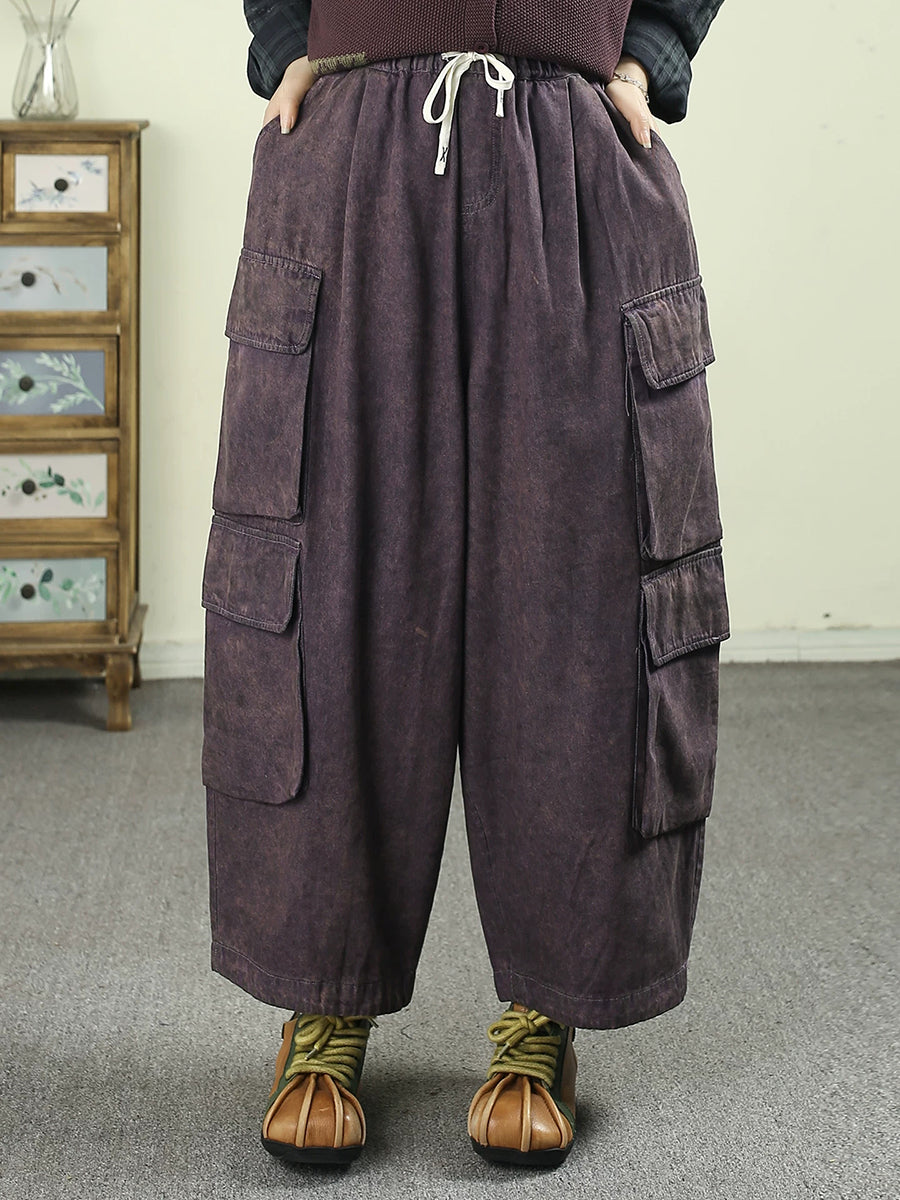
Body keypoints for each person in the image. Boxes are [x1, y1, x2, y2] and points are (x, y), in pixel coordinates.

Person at [201, 0, 730, 1169]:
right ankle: (323, 1001)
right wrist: (287, 42)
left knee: (582, 598)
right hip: (350, 153)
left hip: (575, 148)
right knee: (328, 586)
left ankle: (546, 1011)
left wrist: (650, 56)